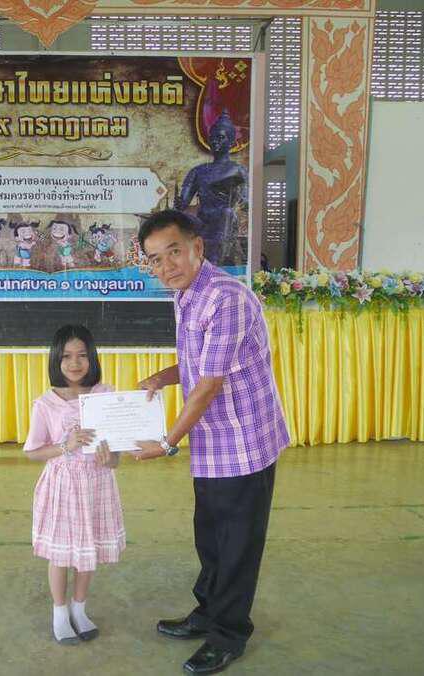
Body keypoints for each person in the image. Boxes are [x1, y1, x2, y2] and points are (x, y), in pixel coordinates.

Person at [132, 210, 289, 674]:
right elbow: (196, 362)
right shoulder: (185, 295)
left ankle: (229, 634)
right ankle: (207, 612)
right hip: (211, 441)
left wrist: (167, 442)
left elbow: (209, 383)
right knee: (211, 537)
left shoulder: (226, 298)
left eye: (174, 252)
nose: (166, 266)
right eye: (155, 259)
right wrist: (163, 376)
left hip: (244, 442)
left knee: (237, 545)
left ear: (197, 247)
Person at [23, 325, 125, 645]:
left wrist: (111, 459)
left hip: (97, 484)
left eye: (82, 355)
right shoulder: (46, 403)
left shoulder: (105, 395)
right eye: (66, 356)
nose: (75, 363)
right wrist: (65, 446)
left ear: (92, 358)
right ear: (56, 359)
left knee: (87, 549)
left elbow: (116, 455)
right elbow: (33, 452)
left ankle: (80, 610)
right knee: (61, 555)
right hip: (63, 486)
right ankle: (59, 612)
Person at [175, 111, 248, 266]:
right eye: (213, 137)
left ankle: (216, 263)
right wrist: (179, 203)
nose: (216, 142)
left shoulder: (238, 170)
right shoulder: (198, 171)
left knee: (226, 213)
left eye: (220, 137)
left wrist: (235, 194)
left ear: (231, 141)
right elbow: (183, 204)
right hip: (203, 221)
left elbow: (246, 202)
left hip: (224, 221)